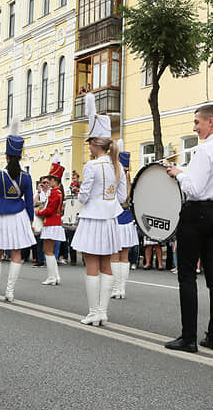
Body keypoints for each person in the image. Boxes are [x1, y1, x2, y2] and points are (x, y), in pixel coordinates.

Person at [164, 105, 213, 352]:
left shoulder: (205, 149)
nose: (194, 127)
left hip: (196, 213)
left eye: (197, 122)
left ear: (211, 122)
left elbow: (195, 189)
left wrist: (178, 174)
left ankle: (188, 338)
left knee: (186, 274)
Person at [72, 127, 125, 325]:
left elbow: (84, 196)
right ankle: (102, 312)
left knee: (92, 266)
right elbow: (121, 197)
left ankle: (94, 312)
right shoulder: (116, 165)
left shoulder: (92, 166)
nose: (89, 149)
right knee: (106, 266)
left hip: (93, 218)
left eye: (90, 145)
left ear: (95, 145)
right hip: (110, 219)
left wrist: (82, 194)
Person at [0, 134, 35, 304]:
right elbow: (29, 202)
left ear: (6, 155)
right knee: (16, 254)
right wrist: (31, 221)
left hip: (1, 215)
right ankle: (10, 293)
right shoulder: (26, 177)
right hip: (19, 216)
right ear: (21, 156)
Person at [111, 151, 139, 299]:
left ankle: (116, 288)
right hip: (128, 222)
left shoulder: (115, 182)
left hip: (116, 221)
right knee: (124, 257)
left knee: (115, 257)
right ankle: (121, 289)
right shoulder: (133, 184)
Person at [37, 158, 67, 286]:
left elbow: (49, 210)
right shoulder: (58, 192)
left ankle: (51, 277)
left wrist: (38, 212)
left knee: (47, 250)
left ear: (55, 180)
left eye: (50, 179)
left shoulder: (55, 193)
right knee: (49, 250)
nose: (48, 181)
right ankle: (56, 276)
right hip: (55, 223)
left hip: (51, 223)